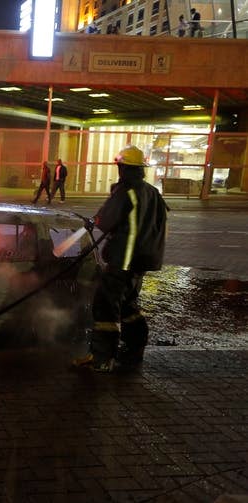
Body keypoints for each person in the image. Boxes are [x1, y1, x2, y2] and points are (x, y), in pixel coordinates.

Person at [71, 145, 169, 373]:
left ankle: (101, 359)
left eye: (120, 166)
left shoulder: (126, 191)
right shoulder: (152, 191)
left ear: (123, 167)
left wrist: (94, 221)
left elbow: (105, 220)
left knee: (105, 307)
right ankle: (135, 350)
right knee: (127, 305)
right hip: (141, 263)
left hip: (122, 261)